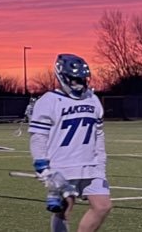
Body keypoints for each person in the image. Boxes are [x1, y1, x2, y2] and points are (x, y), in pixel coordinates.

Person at [29, 54, 110, 232]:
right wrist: (41, 164)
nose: (78, 83)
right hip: (63, 165)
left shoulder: (92, 99)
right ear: (62, 77)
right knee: (64, 209)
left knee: (103, 206)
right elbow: (38, 136)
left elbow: (99, 134)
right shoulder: (49, 100)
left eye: (81, 78)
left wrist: (101, 162)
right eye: (73, 79)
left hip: (91, 164)